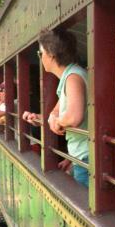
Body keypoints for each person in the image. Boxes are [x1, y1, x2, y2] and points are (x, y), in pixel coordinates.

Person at [21, 28, 88, 187]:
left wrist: (57, 121)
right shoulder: (70, 76)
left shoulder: (73, 78)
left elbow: (73, 117)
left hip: (87, 158)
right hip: (80, 155)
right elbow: (58, 111)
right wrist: (41, 118)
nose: (40, 58)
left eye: (40, 54)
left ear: (50, 54)